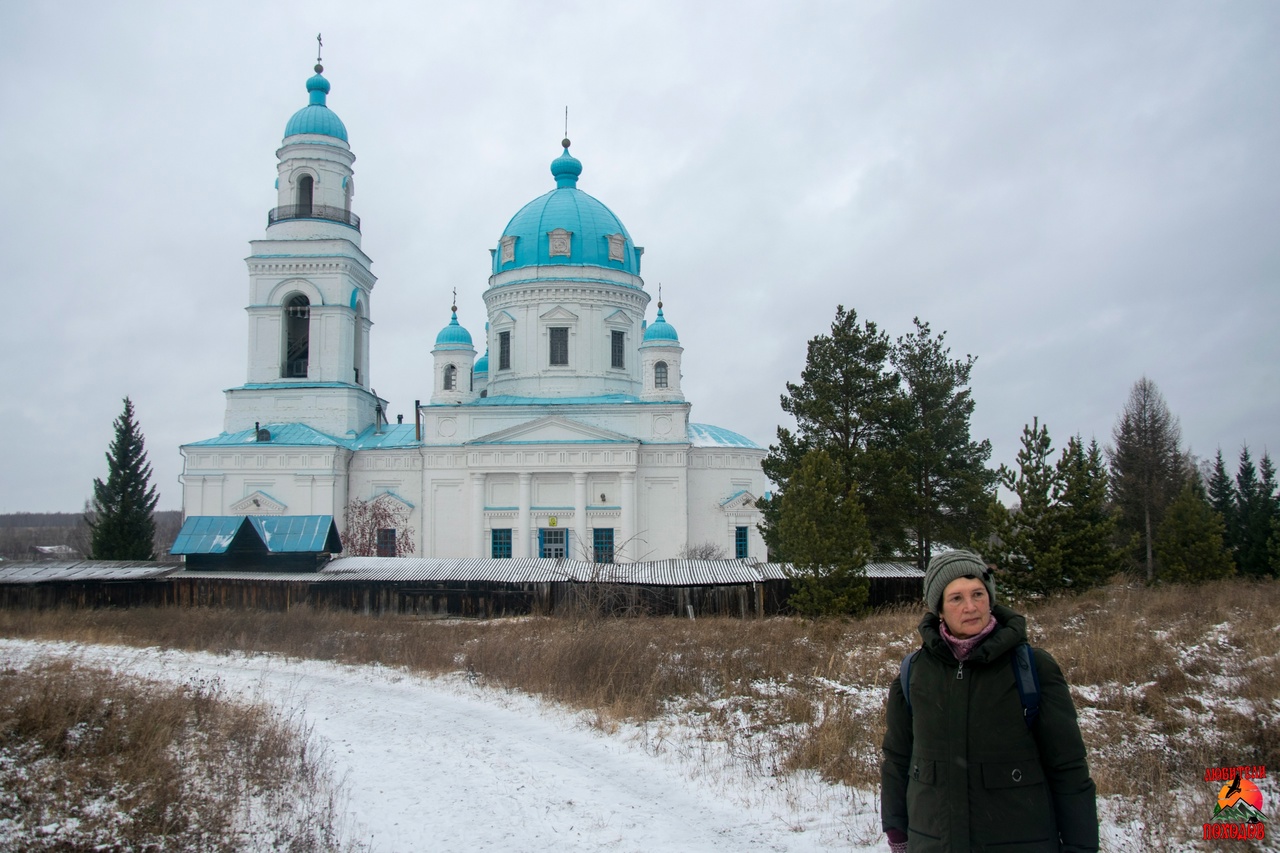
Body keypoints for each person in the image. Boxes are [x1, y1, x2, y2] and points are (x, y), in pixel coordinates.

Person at [880, 550, 1098, 852]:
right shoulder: (913, 673)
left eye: (978, 594)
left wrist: (1081, 847)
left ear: (990, 598)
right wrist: (896, 829)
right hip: (933, 843)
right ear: (939, 609)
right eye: (956, 598)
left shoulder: (1032, 668)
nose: (970, 607)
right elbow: (897, 759)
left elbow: (1069, 768)